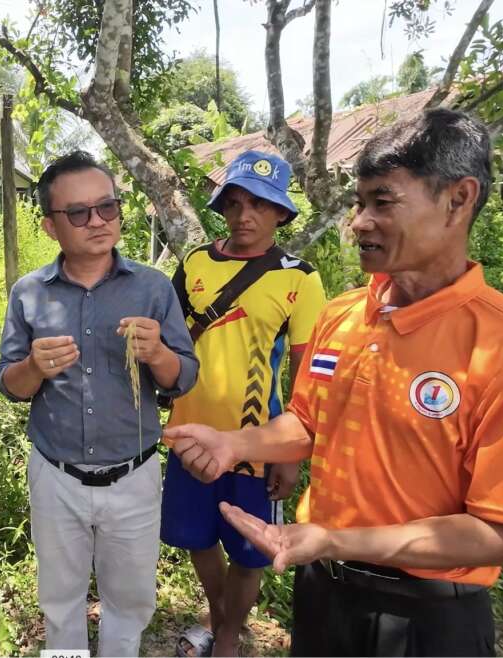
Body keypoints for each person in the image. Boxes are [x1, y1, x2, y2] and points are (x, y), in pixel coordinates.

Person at [165, 109, 503, 657]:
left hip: (426, 615)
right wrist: (235, 443)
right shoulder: (343, 317)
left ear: (458, 199)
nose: (358, 222)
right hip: (323, 593)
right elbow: (309, 422)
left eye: (382, 202)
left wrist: (333, 539)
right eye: (360, 204)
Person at [0, 150, 199, 657]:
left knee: (129, 602)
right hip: (56, 474)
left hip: (134, 475)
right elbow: (10, 385)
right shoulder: (29, 294)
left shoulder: (152, 287)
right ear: (49, 225)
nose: (97, 222)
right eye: (79, 213)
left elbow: (184, 377)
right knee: (59, 601)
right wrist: (34, 368)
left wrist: (158, 355)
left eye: (107, 207)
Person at [162, 151, 326, 657]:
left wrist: (292, 455)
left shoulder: (300, 278)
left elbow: (306, 374)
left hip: (257, 442)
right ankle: (219, 614)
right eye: (234, 203)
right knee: (196, 537)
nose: (244, 216)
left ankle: (229, 635)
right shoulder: (193, 264)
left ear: (282, 213)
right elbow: (171, 344)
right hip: (189, 433)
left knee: (251, 551)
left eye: (259, 204)